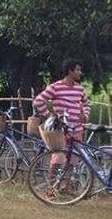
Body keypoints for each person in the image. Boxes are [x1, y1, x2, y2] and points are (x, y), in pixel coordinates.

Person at [32, 59, 91, 190]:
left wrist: (85, 115)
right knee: (58, 158)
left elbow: (87, 104)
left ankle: (65, 186)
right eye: (78, 70)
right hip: (60, 130)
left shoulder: (79, 89)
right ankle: (50, 188)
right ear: (70, 71)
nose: (80, 73)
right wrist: (50, 115)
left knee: (73, 160)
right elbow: (38, 101)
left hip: (77, 129)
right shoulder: (55, 87)